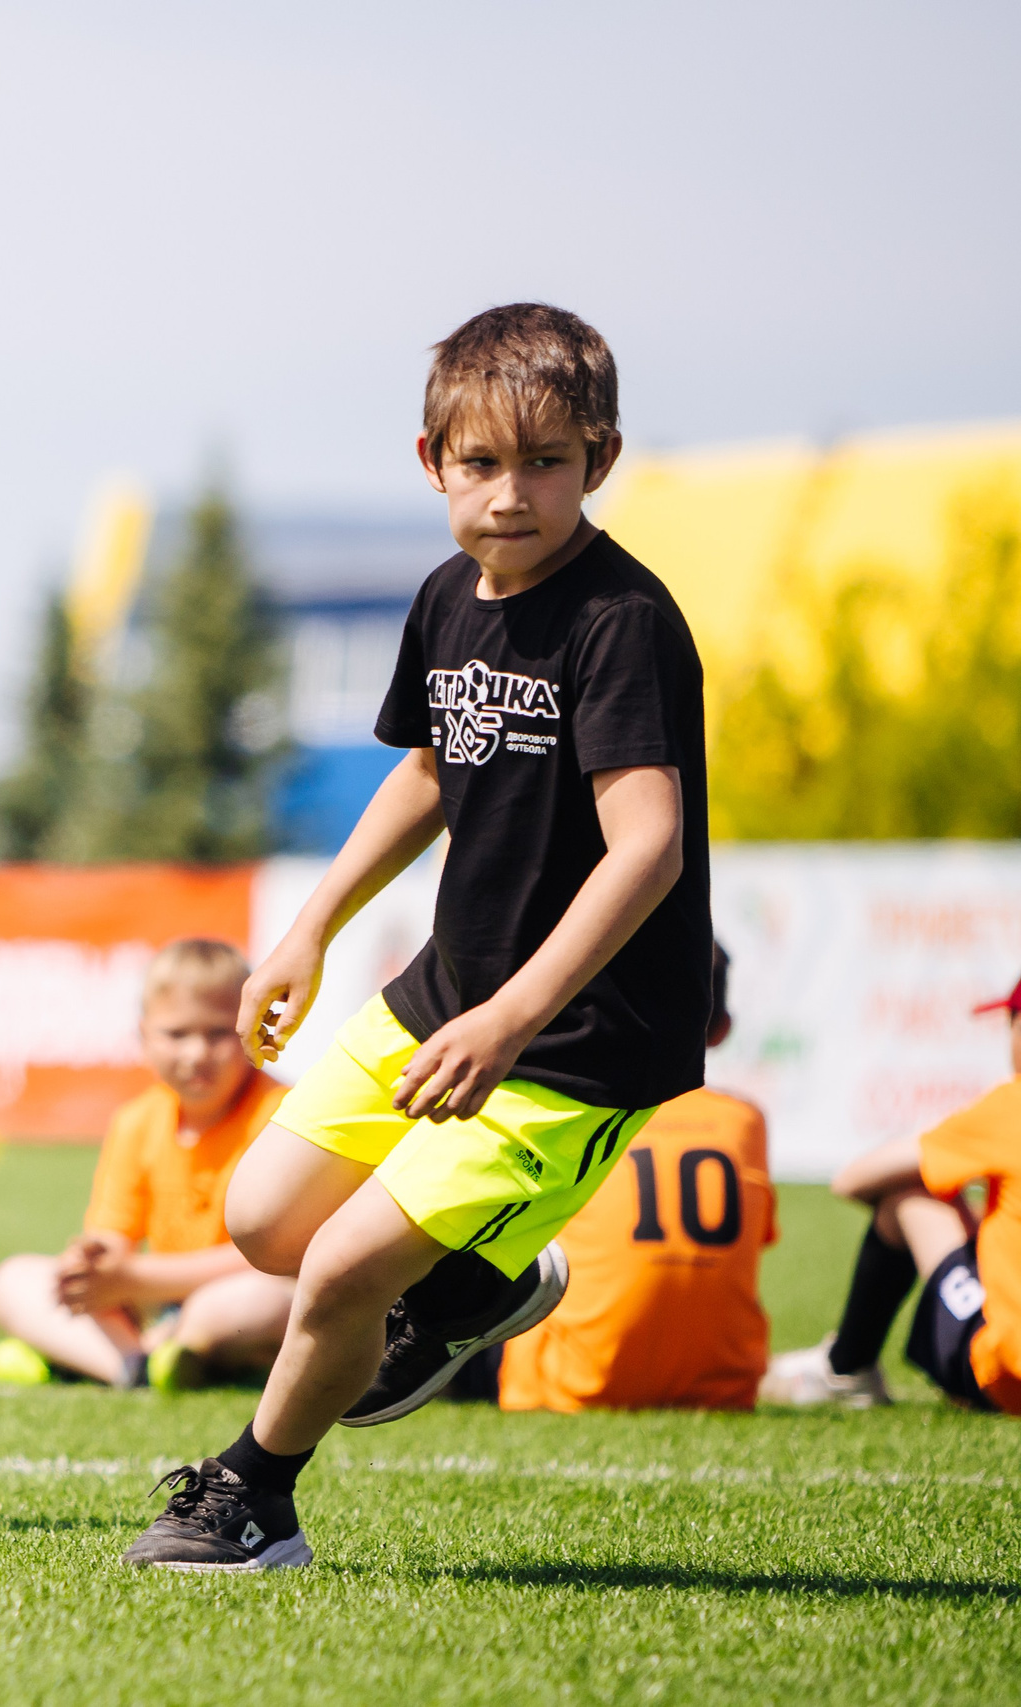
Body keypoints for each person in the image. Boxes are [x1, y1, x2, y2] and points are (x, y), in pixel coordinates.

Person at [122, 304, 712, 1571]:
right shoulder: (448, 598)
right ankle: (472, 1290)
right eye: (481, 464)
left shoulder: (622, 623)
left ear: (600, 463)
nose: (511, 495)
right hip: (445, 993)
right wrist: (308, 928)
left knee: (337, 1272)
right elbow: (432, 767)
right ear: (430, 462)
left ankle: (250, 1501)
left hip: (575, 1041)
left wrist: (509, 1022)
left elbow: (648, 846)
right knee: (266, 1221)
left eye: (546, 463)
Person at [0, 939, 294, 1391]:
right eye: (177, 1034)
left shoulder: (283, 1114)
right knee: (13, 1280)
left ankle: (97, 1355)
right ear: (143, 1035)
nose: (196, 1054)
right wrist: (88, 1266)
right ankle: (136, 1366)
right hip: (152, 1300)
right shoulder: (136, 1122)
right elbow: (112, 1242)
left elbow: (281, 1258)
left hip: (230, 1293)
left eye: (218, 1033)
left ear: (252, 1028)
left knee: (253, 1305)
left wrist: (135, 1278)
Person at [498, 941, 778, 1412]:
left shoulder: (572, 1109)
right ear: (722, 1030)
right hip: (722, 1390)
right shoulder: (746, 1121)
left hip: (569, 1384)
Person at [759, 974, 1021, 1416]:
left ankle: (847, 1368)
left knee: (907, 1198)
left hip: (1007, 1376)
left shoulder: (1010, 1106)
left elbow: (852, 1179)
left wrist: (957, 1207)